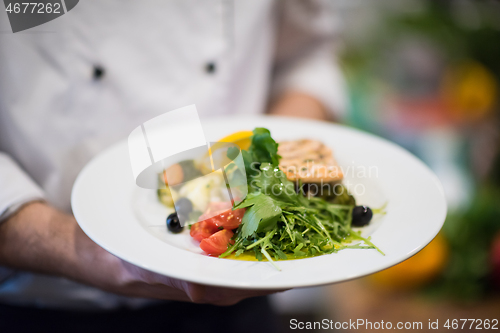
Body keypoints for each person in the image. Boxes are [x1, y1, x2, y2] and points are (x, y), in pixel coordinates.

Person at [0, 0, 346, 331]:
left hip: (241, 298)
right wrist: (71, 247)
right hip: (44, 307)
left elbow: (306, 58)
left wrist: (273, 176)